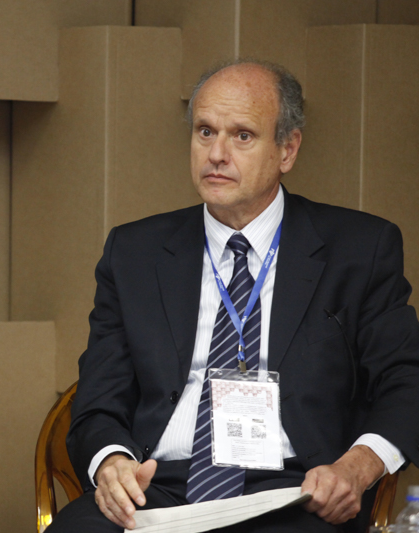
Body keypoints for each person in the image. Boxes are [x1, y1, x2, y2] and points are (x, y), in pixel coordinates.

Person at [47, 60, 419, 533]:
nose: (217, 154)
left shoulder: (359, 249)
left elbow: (406, 380)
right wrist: (112, 461)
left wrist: (357, 468)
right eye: (205, 132)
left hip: (295, 491)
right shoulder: (135, 252)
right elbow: (98, 397)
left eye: (242, 135)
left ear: (288, 149)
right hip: (157, 487)